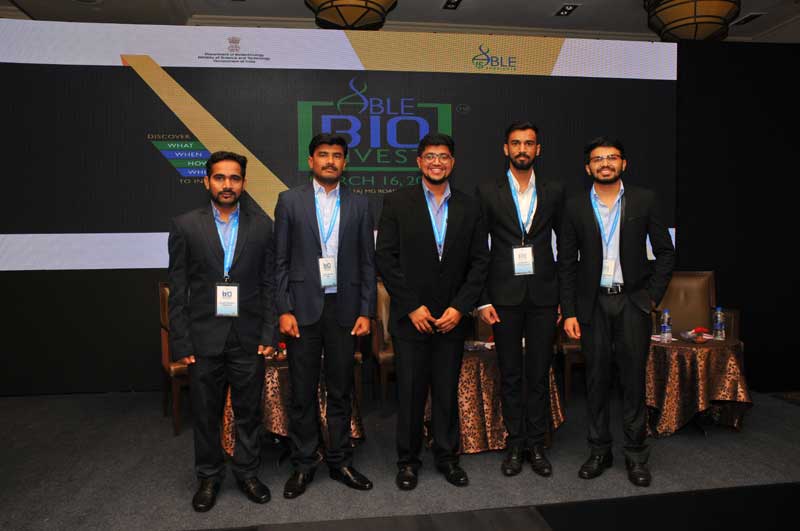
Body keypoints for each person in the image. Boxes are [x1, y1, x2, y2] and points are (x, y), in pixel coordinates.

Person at [376, 132, 489, 491]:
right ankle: (408, 462)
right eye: (430, 156)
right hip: (412, 320)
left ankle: (447, 457)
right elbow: (385, 259)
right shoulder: (397, 202)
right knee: (410, 394)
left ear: (452, 163)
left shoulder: (470, 206)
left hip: (452, 319)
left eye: (443, 156)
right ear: (419, 162)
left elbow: (480, 263)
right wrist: (411, 307)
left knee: (445, 392)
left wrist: (460, 307)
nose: (436, 162)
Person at [559, 137, 674, 487]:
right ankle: (599, 451)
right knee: (595, 380)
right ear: (588, 167)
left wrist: (651, 297)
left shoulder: (644, 199)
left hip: (632, 302)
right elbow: (567, 263)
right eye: (598, 159)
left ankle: (636, 454)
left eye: (612, 157)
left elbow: (665, 252)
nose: (605, 163)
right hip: (592, 304)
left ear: (624, 163)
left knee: (633, 380)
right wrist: (570, 311)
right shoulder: (574, 206)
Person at [168, 151, 276, 512]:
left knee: (249, 412)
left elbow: (269, 284)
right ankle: (209, 477)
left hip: (248, 337)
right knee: (205, 414)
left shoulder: (262, 226)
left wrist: (269, 334)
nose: (227, 185)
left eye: (234, 178)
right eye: (219, 177)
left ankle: (247, 473)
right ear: (206, 181)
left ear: (243, 183)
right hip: (203, 338)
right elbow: (178, 288)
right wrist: (181, 341)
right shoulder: (185, 226)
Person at [274, 133, 376, 499]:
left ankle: (340, 460)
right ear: (311, 160)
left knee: (341, 390)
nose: (330, 161)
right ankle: (304, 463)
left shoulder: (360, 204)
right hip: (302, 311)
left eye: (336, 155)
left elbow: (368, 263)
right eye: (323, 155)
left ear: (345, 162)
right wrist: (284, 309)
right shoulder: (289, 201)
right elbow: (280, 261)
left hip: (345, 311)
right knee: (302, 392)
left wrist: (366, 310)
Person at [475, 121, 563, 477]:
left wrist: (564, 299)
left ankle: (536, 444)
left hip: (544, 297)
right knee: (510, 374)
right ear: (505, 149)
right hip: (503, 298)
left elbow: (566, 248)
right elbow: (478, 250)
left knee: (539, 374)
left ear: (538, 149)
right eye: (516, 143)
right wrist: (482, 300)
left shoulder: (555, 191)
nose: (522, 149)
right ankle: (514, 443)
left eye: (528, 143)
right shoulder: (487, 191)